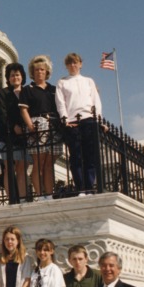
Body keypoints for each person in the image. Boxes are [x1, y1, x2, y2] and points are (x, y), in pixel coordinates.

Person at [55, 53, 103, 195]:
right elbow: (60, 103)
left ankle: (90, 186)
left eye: (75, 62)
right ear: (66, 66)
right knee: (76, 157)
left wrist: (98, 120)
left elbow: (96, 101)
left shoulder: (88, 81)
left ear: (80, 64)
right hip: (72, 121)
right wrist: (65, 120)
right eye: (70, 63)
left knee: (90, 156)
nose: (73, 65)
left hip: (88, 119)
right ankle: (81, 187)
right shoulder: (62, 82)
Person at [19, 55, 59, 200]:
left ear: (47, 71)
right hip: (37, 123)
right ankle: (40, 194)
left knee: (49, 163)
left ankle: (49, 194)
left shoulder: (53, 89)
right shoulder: (27, 89)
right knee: (38, 162)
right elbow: (23, 110)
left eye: (42, 70)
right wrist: (30, 126)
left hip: (53, 124)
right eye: (36, 70)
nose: (39, 72)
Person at [0, 62, 29, 202]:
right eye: (12, 75)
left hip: (24, 136)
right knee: (8, 167)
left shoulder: (26, 92)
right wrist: (13, 126)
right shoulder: (3, 93)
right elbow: (0, 113)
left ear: (22, 76)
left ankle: (24, 198)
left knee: (22, 167)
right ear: (8, 78)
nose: (15, 77)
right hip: (7, 135)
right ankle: (12, 198)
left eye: (17, 75)